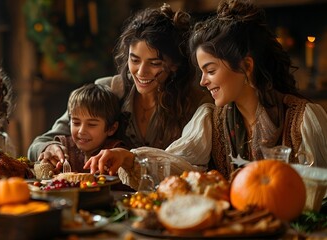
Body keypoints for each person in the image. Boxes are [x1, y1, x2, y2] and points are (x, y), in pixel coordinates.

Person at [85, 0, 327, 185]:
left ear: (246, 66)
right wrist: (128, 158)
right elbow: (181, 165)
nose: (202, 81)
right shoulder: (211, 118)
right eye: (201, 71)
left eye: (210, 70)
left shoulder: (303, 119)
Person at [28, 4, 208, 188]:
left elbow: (195, 171)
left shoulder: (195, 106)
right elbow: (38, 143)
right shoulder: (107, 90)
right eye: (135, 60)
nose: (141, 72)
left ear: (175, 65)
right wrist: (48, 148)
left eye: (154, 63)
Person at [34, 84, 123, 178]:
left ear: (111, 128)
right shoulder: (63, 147)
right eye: (76, 123)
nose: (81, 131)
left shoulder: (116, 153)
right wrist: (47, 163)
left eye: (91, 124)